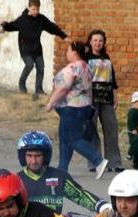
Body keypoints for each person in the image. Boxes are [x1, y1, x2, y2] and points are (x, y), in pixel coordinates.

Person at [44, 40, 109, 178]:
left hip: (72, 108)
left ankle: (98, 161)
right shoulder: (87, 67)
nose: (66, 53)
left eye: (68, 51)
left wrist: (50, 103)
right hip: (83, 107)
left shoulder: (73, 68)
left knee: (73, 139)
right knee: (64, 138)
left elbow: (63, 88)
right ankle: (62, 169)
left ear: (74, 52)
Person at [14, 130, 108, 214]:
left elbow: (79, 196)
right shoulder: (16, 181)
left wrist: (101, 205)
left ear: (46, 156)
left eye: (38, 156)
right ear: (23, 157)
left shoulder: (59, 177)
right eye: (29, 156)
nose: (33, 161)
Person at [0, 0, 67, 97]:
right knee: (30, 64)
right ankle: (22, 82)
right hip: (25, 49)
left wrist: (64, 36)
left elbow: (52, 27)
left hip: (37, 49)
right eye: (33, 9)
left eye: (37, 9)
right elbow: (12, 25)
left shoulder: (41, 19)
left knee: (41, 67)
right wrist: (4, 25)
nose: (36, 11)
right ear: (28, 8)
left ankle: (38, 89)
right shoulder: (23, 20)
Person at [85, 29, 123, 172]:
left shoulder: (107, 58)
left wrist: (115, 96)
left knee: (111, 129)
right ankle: (94, 162)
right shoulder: (86, 58)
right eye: (95, 40)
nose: (98, 43)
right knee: (92, 131)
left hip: (106, 98)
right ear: (90, 42)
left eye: (100, 40)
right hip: (91, 98)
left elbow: (112, 80)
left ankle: (114, 162)